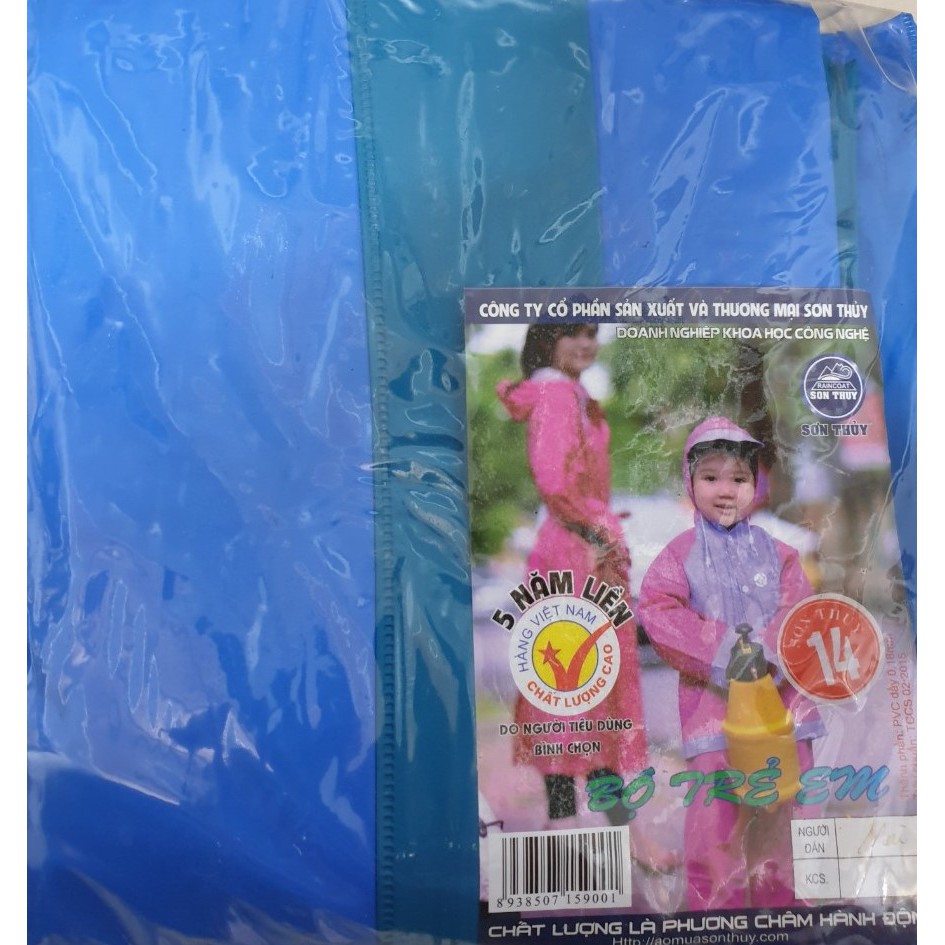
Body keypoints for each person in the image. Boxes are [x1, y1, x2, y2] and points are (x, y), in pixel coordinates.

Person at [638, 416, 825, 909]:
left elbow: (798, 613)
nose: (726, 490)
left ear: (756, 485)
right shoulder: (677, 557)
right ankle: (713, 912)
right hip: (712, 714)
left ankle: (780, 907)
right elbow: (658, 612)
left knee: (782, 809)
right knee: (714, 817)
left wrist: (767, 654)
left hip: (782, 713)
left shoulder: (781, 554)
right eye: (711, 477)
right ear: (690, 482)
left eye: (739, 478)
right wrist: (725, 652)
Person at [497, 324, 647, 829]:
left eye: (591, 333)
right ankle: (594, 824)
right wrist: (600, 528)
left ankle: (594, 822)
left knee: (577, 685)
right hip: (574, 547)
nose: (586, 344)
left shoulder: (566, 394)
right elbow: (555, 480)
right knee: (581, 683)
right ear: (548, 341)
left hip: (573, 543)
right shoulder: (558, 393)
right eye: (572, 334)